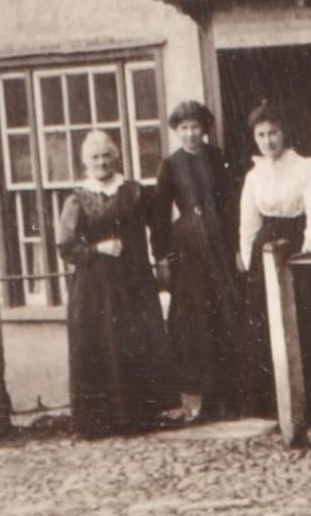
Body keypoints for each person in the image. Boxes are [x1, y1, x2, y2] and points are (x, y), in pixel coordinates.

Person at [58, 128, 179, 438]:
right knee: (99, 342)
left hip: (133, 279)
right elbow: (66, 244)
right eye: (95, 157)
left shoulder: (134, 191)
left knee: (133, 340)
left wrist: (165, 256)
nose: (102, 162)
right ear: (86, 162)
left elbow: (160, 224)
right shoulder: (77, 198)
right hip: (94, 284)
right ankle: (100, 421)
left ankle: (138, 417)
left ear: (116, 157)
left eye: (106, 156)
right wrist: (97, 248)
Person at [237, 101, 311, 422]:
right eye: (261, 135)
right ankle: (270, 404)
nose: (268, 142)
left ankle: (310, 404)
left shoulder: (306, 167)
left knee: (304, 319)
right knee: (265, 320)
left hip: (296, 243)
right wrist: (247, 253)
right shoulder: (255, 175)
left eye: (273, 133)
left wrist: (309, 244)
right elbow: (248, 220)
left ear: (284, 133)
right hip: (264, 247)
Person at [148, 99, 244, 421]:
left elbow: (232, 202)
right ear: (176, 131)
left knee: (227, 313)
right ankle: (201, 400)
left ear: (205, 129)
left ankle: (231, 396)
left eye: (196, 127)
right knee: (196, 320)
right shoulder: (170, 165)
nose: (191, 134)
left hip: (220, 245)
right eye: (184, 128)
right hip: (189, 251)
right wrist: (162, 255)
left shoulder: (219, 159)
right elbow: (160, 215)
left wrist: (237, 246)